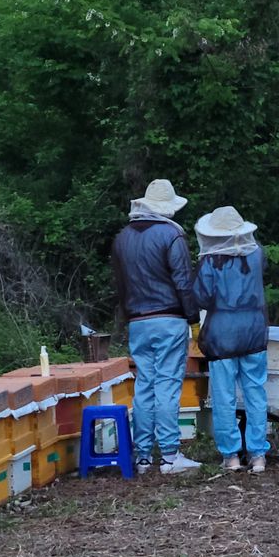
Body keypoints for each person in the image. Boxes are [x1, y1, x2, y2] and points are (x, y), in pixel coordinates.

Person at [111, 179, 201, 475]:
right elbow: (183, 282)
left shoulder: (122, 237)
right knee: (167, 385)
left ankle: (144, 455)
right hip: (169, 318)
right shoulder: (172, 235)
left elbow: (121, 285)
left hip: (138, 321)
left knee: (144, 385)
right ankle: (171, 455)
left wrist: (128, 317)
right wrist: (193, 319)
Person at [192, 206, 270, 474]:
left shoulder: (209, 262)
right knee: (255, 393)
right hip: (254, 331)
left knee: (224, 397)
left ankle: (232, 457)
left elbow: (200, 297)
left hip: (221, 334)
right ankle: (258, 455)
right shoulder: (257, 253)